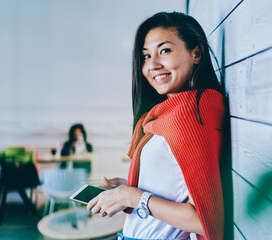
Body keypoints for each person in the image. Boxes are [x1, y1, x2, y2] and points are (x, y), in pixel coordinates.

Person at [87, 12, 226, 240]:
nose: (152, 65)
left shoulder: (193, 111)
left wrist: (132, 197)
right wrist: (127, 187)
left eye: (164, 51)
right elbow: (179, 182)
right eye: (145, 56)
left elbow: (202, 221)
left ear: (196, 53)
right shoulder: (168, 113)